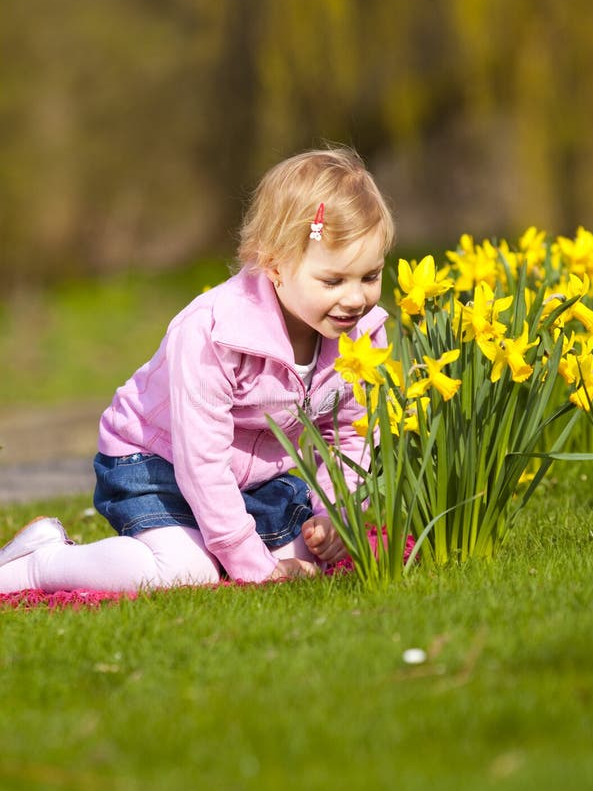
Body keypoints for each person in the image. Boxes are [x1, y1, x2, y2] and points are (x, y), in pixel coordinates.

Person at [0, 147, 394, 593]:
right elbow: (201, 461)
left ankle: (221, 543)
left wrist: (334, 517)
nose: (356, 298)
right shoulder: (215, 334)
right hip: (155, 463)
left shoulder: (359, 337)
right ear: (275, 265)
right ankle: (41, 562)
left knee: (305, 557)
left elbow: (351, 433)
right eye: (334, 281)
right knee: (187, 572)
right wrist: (250, 563)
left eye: (370, 276)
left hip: (251, 479)